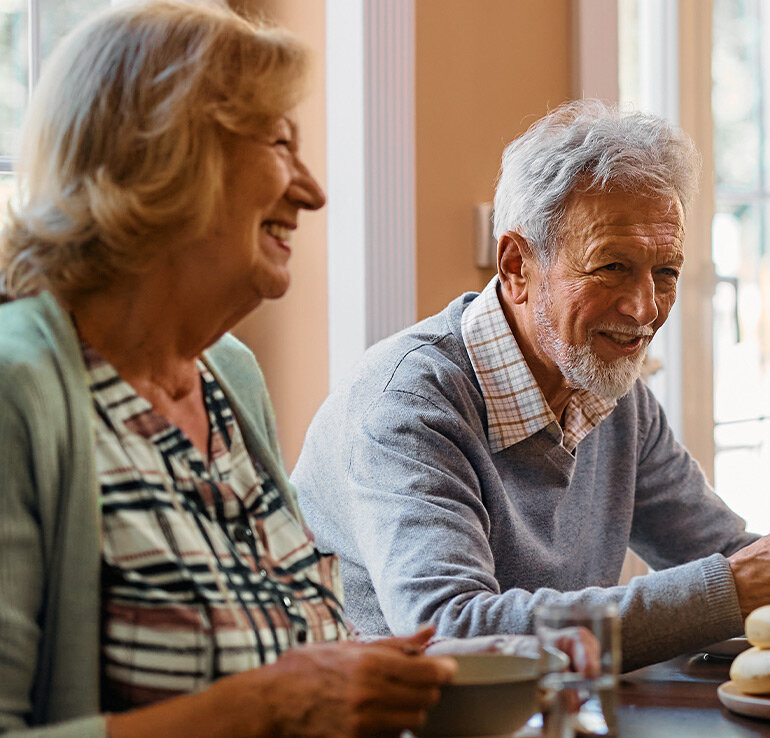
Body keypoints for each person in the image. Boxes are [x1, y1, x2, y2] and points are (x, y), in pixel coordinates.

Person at [293, 100, 770, 670]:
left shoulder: (609, 386)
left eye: (666, 273)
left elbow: (717, 549)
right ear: (516, 266)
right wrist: (732, 589)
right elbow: (452, 630)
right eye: (612, 267)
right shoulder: (407, 404)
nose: (644, 308)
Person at [0, 3, 458, 736]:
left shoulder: (228, 375)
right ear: (167, 156)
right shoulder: (18, 387)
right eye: (281, 142)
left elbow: (283, 648)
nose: (311, 190)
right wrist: (267, 708)